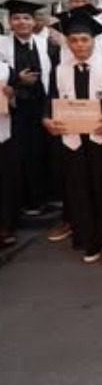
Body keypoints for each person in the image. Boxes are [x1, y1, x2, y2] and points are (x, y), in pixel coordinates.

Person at [42, 11, 102, 263]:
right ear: (67, 43)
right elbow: (51, 100)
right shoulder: (59, 70)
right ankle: (90, 241)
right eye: (73, 40)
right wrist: (46, 119)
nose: (79, 45)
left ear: (93, 41)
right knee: (80, 190)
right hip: (73, 141)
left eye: (84, 39)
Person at [0, 0, 54, 218]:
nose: (21, 22)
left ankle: (41, 199)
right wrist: (18, 82)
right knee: (17, 154)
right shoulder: (1, 45)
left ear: (34, 22)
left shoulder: (45, 44)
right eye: (16, 18)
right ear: (9, 22)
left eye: (26, 18)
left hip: (41, 107)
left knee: (41, 152)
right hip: (14, 110)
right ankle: (20, 201)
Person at [0, 59, 15, 247]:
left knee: (4, 182)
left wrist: (11, 95)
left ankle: (5, 227)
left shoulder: (5, 70)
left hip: (2, 133)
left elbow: (16, 97)